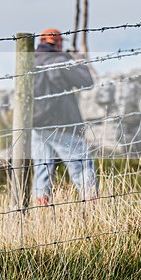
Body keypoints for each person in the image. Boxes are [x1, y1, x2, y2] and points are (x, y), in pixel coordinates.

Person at [32, 28, 98, 206]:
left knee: (42, 170)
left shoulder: (30, 62)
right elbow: (87, 82)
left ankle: (41, 210)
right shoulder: (60, 61)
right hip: (62, 124)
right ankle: (92, 206)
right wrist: (78, 61)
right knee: (82, 165)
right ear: (57, 42)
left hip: (36, 125)